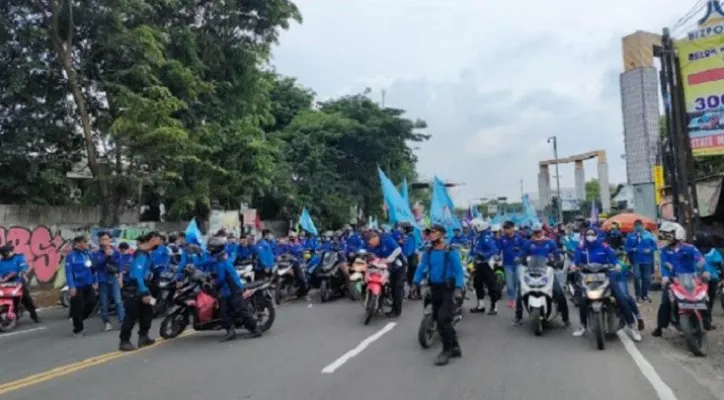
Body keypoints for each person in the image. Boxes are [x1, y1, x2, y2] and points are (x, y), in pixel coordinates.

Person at [571, 228, 642, 341]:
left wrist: (616, 265)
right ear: (585, 236)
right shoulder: (581, 248)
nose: (590, 236)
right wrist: (573, 265)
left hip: (605, 276)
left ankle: (633, 327)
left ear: (596, 235)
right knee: (583, 300)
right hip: (588, 277)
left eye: (592, 234)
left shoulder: (603, 246)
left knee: (621, 299)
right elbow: (576, 259)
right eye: (588, 234)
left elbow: (613, 258)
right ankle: (582, 326)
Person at [412, 224, 465, 366]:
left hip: (448, 289)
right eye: (429, 233)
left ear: (441, 235)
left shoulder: (450, 251)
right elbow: (422, 267)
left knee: (443, 319)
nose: (430, 235)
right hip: (434, 288)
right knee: (438, 318)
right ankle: (455, 347)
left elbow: (459, 271)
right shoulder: (428, 251)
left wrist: (458, 288)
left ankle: (446, 351)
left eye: (433, 232)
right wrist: (415, 282)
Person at [652, 222, 707, 336]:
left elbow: (699, 259)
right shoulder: (665, 251)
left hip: (691, 279)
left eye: (668, 235)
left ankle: (706, 323)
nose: (665, 238)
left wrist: (705, 271)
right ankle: (660, 327)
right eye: (665, 235)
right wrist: (665, 278)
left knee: (703, 299)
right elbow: (664, 264)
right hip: (674, 280)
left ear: (678, 235)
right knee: (665, 302)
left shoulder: (690, 248)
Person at [514, 223, 570, 327]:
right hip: (530, 271)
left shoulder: (550, 242)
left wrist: (557, 261)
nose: (537, 234)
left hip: (547, 271)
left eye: (539, 231)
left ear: (542, 231)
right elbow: (522, 255)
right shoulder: (528, 243)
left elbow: (556, 254)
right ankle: (518, 317)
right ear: (532, 233)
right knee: (520, 292)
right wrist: (519, 259)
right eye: (535, 232)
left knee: (559, 293)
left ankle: (565, 318)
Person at [206, 236, 261, 342]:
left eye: (210, 248)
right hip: (227, 290)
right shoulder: (220, 257)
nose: (209, 250)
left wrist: (213, 283)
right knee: (224, 312)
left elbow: (221, 279)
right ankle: (231, 332)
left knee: (240, 310)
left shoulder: (221, 261)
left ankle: (255, 330)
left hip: (233, 289)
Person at [119, 233, 159, 351]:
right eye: (158, 240)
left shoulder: (146, 254)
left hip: (144, 287)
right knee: (131, 316)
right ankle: (124, 341)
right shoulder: (141, 255)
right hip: (134, 289)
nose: (159, 243)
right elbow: (137, 275)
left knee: (148, 312)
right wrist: (144, 293)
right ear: (152, 240)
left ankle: (143, 337)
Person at [365, 230, 406, 317]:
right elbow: (376, 257)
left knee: (397, 288)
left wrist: (388, 259)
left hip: (399, 266)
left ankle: (397, 311)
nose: (370, 245)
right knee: (387, 285)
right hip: (388, 268)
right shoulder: (374, 248)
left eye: (370, 242)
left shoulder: (386, 239)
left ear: (374, 238)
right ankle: (379, 306)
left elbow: (398, 249)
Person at [65, 236, 97, 336]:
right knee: (78, 307)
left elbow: (93, 269)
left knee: (91, 303)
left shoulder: (88, 254)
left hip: (88, 283)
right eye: (84, 242)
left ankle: (77, 318)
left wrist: (95, 281)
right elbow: (69, 272)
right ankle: (78, 330)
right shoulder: (71, 256)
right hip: (77, 285)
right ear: (78, 243)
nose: (87, 243)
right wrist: (72, 286)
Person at [93, 231, 126, 331]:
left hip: (113, 279)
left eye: (106, 239)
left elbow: (119, 266)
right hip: (102, 280)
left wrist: (120, 279)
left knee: (118, 301)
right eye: (102, 239)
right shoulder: (96, 253)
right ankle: (106, 322)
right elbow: (96, 266)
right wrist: (105, 257)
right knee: (103, 303)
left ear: (110, 240)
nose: (104, 241)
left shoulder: (116, 252)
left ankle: (122, 320)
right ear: (99, 241)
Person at [0, 245, 40, 323]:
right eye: (2, 253)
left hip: (18, 282)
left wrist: (22, 272)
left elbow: (23, 266)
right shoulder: (1, 262)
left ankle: (34, 315)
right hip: (5, 283)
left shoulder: (19, 257)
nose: (3, 255)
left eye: (5, 253)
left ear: (9, 252)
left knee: (26, 298)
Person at [469, 219, 500, 315]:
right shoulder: (477, 238)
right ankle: (480, 305)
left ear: (479, 227)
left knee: (491, 286)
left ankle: (494, 307)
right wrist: (471, 257)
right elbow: (474, 251)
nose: (472, 229)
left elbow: (494, 250)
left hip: (486, 265)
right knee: (477, 284)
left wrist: (484, 255)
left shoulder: (486, 238)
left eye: (474, 227)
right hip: (478, 265)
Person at [624, 219, 657, 302]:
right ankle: (637, 295)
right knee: (636, 277)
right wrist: (632, 249)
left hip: (647, 260)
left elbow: (655, 247)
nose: (638, 227)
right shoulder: (630, 236)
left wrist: (649, 250)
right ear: (634, 226)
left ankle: (644, 294)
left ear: (643, 226)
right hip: (636, 260)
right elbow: (626, 248)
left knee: (647, 278)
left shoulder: (649, 235)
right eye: (636, 225)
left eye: (640, 225)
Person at [694, 232, 721, 329]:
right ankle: (707, 322)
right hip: (712, 280)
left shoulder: (694, 250)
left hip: (697, 280)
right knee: (710, 301)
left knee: (698, 300)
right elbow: (721, 264)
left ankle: (698, 321)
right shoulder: (714, 251)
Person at [498, 221, 525, 308]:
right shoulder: (502, 239)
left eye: (508, 228)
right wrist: (496, 256)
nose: (506, 230)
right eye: (505, 228)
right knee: (509, 284)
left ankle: (517, 300)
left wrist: (520, 254)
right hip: (507, 264)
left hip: (518, 264)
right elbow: (498, 250)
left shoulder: (519, 238)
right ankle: (510, 299)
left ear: (513, 228)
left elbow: (524, 249)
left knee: (517, 281)